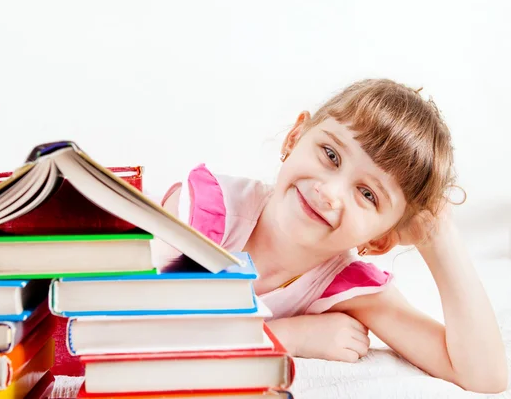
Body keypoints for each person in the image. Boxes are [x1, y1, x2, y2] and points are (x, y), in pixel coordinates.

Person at [154, 79, 508, 393]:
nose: (330, 192)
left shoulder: (343, 285)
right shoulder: (202, 214)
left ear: (380, 239)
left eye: (367, 194)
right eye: (330, 155)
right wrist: (294, 336)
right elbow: (148, 336)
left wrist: (438, 235)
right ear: (295, 138)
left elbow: (483, 375)